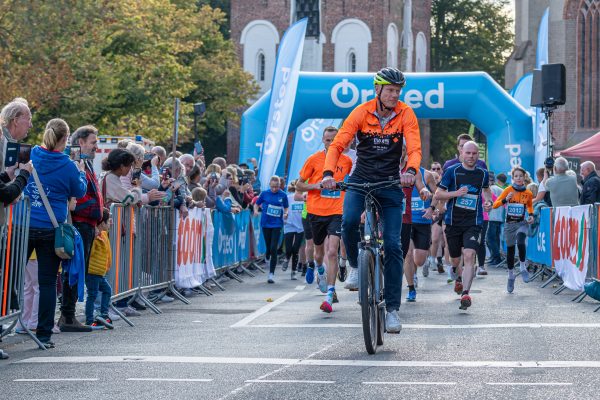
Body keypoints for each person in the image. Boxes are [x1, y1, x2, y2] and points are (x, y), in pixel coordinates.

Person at [321, 67, 421, 332]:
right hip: (361, 179)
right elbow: (338, 145)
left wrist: (411, 171)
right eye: (390, 90)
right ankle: (356, 266)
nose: (394, 95)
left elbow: (414, 148)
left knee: (394, 245)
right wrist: (328, 174)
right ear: (377, 89)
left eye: (398, 91)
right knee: (349, 220)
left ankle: (392, 310)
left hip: (390, 182)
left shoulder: (406, 113)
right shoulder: (360, 112)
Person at [24, 118, 87, 348]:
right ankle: (44, 335)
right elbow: (79, 190)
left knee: (12, 280)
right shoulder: (67, 165)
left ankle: (8, 325)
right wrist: (81, 172)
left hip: (24, 225)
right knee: (48, 283)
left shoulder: (31, 155)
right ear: (65, 139)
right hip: (51, 228)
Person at [297, 126, 353, 313]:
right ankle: (319, 269)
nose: (330, 143)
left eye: (334, 140)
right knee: (318, 254)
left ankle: (330, 294)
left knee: (332, 251)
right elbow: (299, 185)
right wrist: (317, 186)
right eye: (328, 140)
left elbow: (349, 184)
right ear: (323, 141)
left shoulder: (346, 161)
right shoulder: (313, 159)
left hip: (337, 211)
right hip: (316, 212)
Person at [433, 141, 492, 311]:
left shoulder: (482, 173)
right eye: (468, 153)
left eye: (474, 153)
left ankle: (466, 294)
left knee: (469, 254)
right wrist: (456, 193)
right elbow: (438, 194)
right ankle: (456, 274)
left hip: (474, 222)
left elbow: (486, 190)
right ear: (462, 154)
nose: (471, 156)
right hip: (453, 221)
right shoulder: (452, 171)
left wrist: (488, 201)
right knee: (456, 258)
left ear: (478, 155)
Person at [57, 125, 104, 333]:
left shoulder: (86, 163)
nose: (96, 147)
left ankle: (68, 315)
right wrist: (96, 211)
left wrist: (99, 214)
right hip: (79, 224)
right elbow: (77, 195)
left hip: (87, 224)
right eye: (93, 142)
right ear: (81, 142)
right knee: (73, 271)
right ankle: (67, 316)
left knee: (77, 271)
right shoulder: (75, 163)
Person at [492, 167, 534, 293]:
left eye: (520, 176)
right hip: (510, 224)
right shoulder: (508, 190)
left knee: (521, 242)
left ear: (524, 177)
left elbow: (529, 206)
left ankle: (522, 267)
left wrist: (531, 215)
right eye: (516, 176)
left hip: (522, 223)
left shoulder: (528, 193)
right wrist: (506, 199)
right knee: (510, 250)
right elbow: (495, 205)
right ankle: (511, 276)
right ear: (513, 178)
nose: (518, 178)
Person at [254, 176, 288, 283]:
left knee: (274, 247)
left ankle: (271, 274)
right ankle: (267, 254)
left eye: (276, 187)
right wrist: (255, 211)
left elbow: (286, 207)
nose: (274, 189)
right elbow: (256, 204)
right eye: (272, 187)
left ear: (279, 185)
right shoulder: (264, 193)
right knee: (268, 246)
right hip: (266, 223)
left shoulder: (283, 195)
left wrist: (286, 213)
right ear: (269, 185)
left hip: (277, 224)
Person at [85, 208, 114, 329]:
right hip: (92, 272)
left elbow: (107, 252)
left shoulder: (104, 234)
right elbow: (90, 254)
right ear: (102, 223)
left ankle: (104, 314)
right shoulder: (95, 236)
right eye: (108, 221)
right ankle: (89, 320)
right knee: (92, 294)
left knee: (107, 290)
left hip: (100, 272)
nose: (111, 223)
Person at [282, 180, 304, 281]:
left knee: (296, 249)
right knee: (289, 248)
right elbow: (284, 209)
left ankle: (293, 271)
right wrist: (284, 215)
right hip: (289, 224)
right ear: (295, 187)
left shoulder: (305, 197)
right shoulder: (289, 197)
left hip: (301, 226)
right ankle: (287, 258)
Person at [487, 172, 506, 267]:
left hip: (492, 217)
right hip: (499, 217)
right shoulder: (500, 189)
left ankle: (496, 257)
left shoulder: (490, 189)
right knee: (495, 238)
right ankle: (495, 257)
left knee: (490, 238)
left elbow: (489, 202)